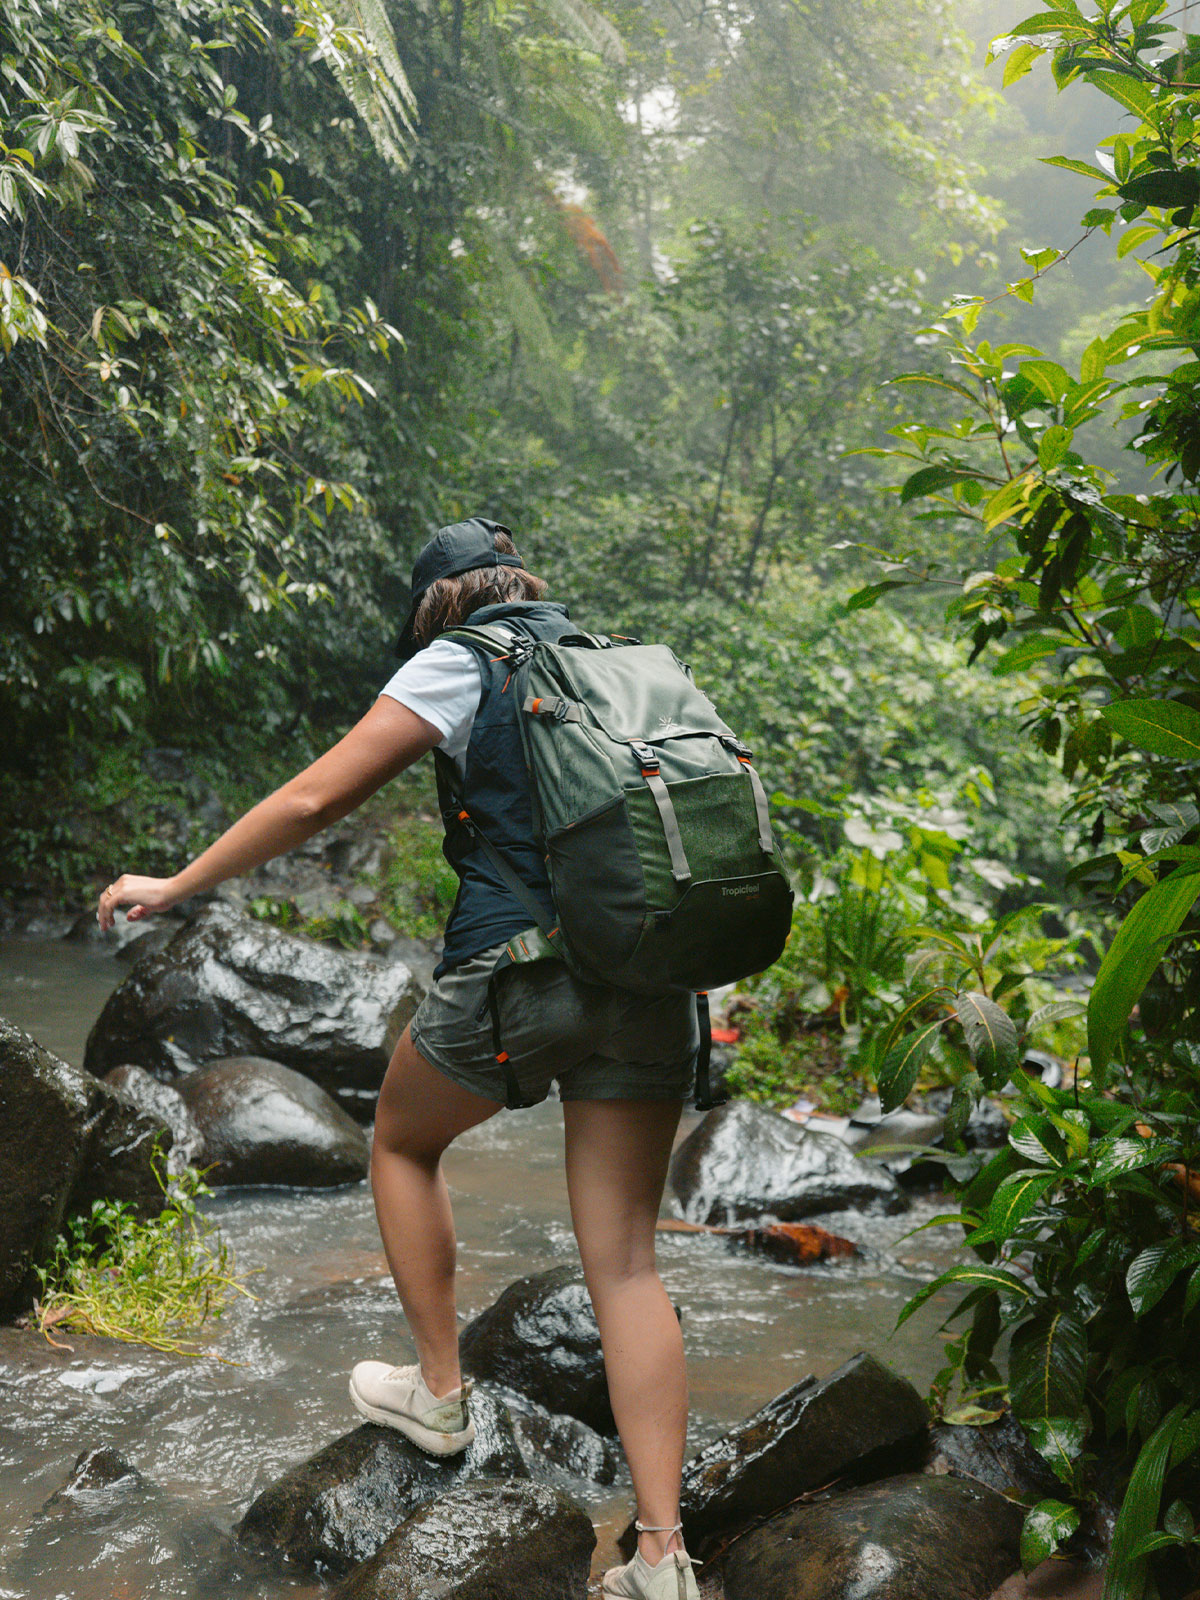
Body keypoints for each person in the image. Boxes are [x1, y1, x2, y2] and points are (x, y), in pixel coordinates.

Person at [96, 518, 702, 1600]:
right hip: (655, 979)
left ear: (437, 603)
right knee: (626, 1265)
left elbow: (316, 796)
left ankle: (438, 1393)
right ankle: (662, 1557)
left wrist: (178, 884)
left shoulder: (465, 655)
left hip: (527, 972)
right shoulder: (615, 658)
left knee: (401, 1140)